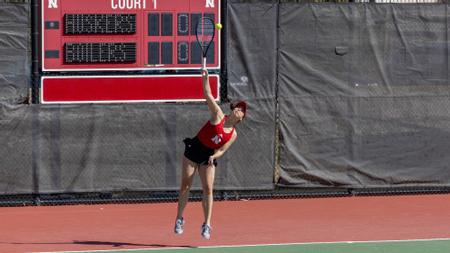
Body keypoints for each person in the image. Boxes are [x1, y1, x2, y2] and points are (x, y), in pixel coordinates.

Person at [174, 68, 247, 240]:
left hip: (208, 156)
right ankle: (179, 219)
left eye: (242, 110)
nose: (239, 110)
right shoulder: (218, 115)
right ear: (233, 109)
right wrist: (205, 78)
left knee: (208, 190)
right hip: (194, 149)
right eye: (238, 107)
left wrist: (214, 157)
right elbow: (207, 94)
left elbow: (222, 149)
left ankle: (207, 224)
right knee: (185, 186)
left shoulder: (233, 134)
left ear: (241, 118)